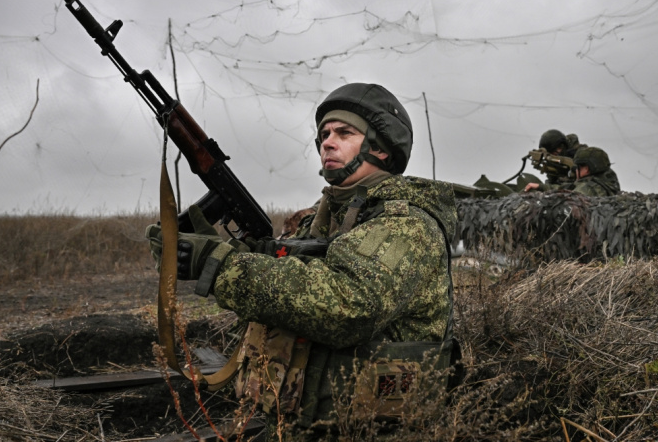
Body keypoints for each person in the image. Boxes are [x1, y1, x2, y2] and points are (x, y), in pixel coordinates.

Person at [147, 83, 458, 439]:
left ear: (381, 148)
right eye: (324, 134)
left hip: (373, 431)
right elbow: (290, 274)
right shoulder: (323, 218)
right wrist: (233, 250)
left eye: (344, 133)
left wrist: (221, 265)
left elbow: (347, 306)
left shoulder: (407, 225)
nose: (327, 143)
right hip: (302, 424)